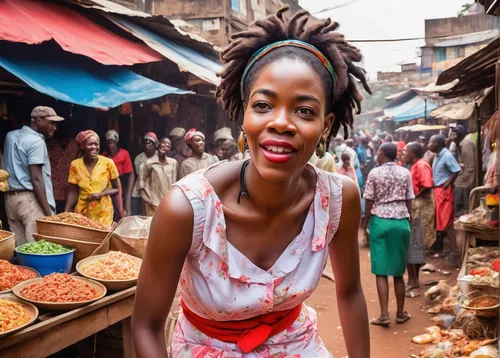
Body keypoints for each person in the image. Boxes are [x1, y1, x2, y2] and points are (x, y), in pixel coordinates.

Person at [132, 7, 370, 357]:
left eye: (304, 110)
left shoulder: (338, 200)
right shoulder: (188, 210)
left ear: (327, 125)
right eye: (263, 105)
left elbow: (349, 293)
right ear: (244, 115)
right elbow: (146, 325)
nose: (281, 123)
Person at [363, 142, 414, 326]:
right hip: (401, 222)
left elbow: (368, 200)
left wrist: (365, 221)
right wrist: (408, 219)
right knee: (399, 273)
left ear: (383, 154)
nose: (376, 155)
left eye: (377, 152)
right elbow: (409, 200)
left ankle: (384, 315)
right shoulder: (405, 172)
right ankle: (400, 313)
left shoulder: (374, 173)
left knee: (381, 272)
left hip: (380, 221)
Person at [4, 106, 63, 245]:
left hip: (10, 199)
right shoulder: (37, 142)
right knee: (37, 247)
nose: (54, 127)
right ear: (38, 120)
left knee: (20, 248)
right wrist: (48, 214)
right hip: (30, 200)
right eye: (51, 123)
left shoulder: (10, 136)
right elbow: (36, 179)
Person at [65, 131, 120, 229]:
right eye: (90, 144)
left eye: (96, 144)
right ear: (82, 146)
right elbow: (74, 190)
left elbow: (117, 189)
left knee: (101, 240)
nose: (94, 147)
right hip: (82, 212)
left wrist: (100, 194)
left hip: (103, 213)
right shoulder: (75, 165)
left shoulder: (108, 163)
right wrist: (67, 210)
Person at [402, 142, 435, 298]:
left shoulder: (421, 165)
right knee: (414, 243)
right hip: (416, 207)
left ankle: (413, 281)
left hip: (420, 207)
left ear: (413, 154)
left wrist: (413, 197)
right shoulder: (416, 164)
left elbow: (427, 185)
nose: (403, 155)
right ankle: (413, 280)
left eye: (405, 152)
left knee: (414, 243)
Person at [429, 134, 460, 260]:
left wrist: (447, 183)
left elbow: (456, 170)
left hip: (443, 190)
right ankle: (443, 249)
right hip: (438, 190)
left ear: (437, 143)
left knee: (446, 221)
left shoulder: (447, 155)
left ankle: (455, 250)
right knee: (440, 221)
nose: (428, 145)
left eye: (431, 142)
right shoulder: (437, 155)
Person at [139, 138, 178, 216]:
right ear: (158, 145)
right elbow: (141, 183)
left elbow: (174, 183)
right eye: (163, 143)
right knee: (152, 225)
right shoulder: (149, 162)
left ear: (169, 150)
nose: (165, 146)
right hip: (153, 204)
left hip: (168, 203)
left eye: (168, 146)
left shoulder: (173, 163)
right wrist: (149, 200)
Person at [47, 127, 79, 213]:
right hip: (54, 184)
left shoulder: (75, 144)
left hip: (70, 184)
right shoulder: (52, 143)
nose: (66, 132)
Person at [103, 130, 132, 220]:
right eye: (109, 142)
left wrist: (128, 193)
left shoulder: (124, 154)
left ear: (117, 142)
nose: (111, 145)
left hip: (122, 182)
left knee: (121, 210)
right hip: (109, 185)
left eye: (113, 142)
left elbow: (130, 173)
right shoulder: (104, 156)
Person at [451, 125, 477, 217]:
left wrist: (465, 182)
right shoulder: (458, 144)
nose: (452, 136)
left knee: (463, 202)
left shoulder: (466, 144)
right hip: (461, 178)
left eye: (454, 134)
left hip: (464, 180)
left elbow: (470, 166)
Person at [131, 133, 158, 215]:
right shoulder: (139, 159)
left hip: (155, 190)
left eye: (151, 143)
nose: (148, 145)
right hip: (139, 190)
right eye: (146, 142)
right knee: (137, 215)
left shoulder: (159, 155)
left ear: (155, 144)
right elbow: (140, 176)